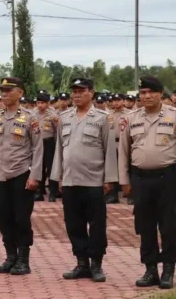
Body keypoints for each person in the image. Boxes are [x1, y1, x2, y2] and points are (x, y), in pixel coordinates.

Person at [119, 76, 176, 289]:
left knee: (169, 226)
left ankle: (168, 270)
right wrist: (124, 180)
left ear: (160, 94)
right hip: (141, 179)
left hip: (167, 179)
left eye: (150, 92)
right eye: (142, 93)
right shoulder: (131, 118)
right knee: (145, 227)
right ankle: (150, 269)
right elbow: (123, 151)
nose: (146, 96)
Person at [50, 78, 118, 283]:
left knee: (97, 225)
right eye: (74, 91)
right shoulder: (64, 117)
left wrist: (109, 179)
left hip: (94, 180)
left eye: (81, 91)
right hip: (70, 180)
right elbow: (59, 149)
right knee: (74, 224)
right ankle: (81, 263)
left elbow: (110, 151)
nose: (76, 95)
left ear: (92, 92)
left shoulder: (103, 118)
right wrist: (59, 176)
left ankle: (96, 264)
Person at [0, 77, 43, 276]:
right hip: (0, 176)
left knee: (21, 219)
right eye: (2, 90)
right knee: (4, 218)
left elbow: (38, 149)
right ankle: (10, 257)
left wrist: (35, 175)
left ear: (20, 92)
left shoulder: (30, 117)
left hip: (21, 175)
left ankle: (23, 259)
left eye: (9, 90)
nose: (4, 94)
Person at [34, 90, 58, 202]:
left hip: (49, 143)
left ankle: (53, 192)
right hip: (37, 143)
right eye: (38, 102)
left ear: (47, 103)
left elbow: (57, 132)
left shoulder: (53, 116)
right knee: (38, 167)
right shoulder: (32, 114)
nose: (40, 105)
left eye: (42, 103)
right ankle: (39, 191)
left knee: (51, 168)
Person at [105, 93, 128, 204]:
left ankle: (131, 194)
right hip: (111, 143)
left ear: (123, 101)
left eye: (118, 100)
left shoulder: (129, 114)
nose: (115, 102)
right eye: (113, 100)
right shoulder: (108, 114)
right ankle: (112, 195)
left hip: (123, 143)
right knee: (112, 170)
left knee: (126, 168)